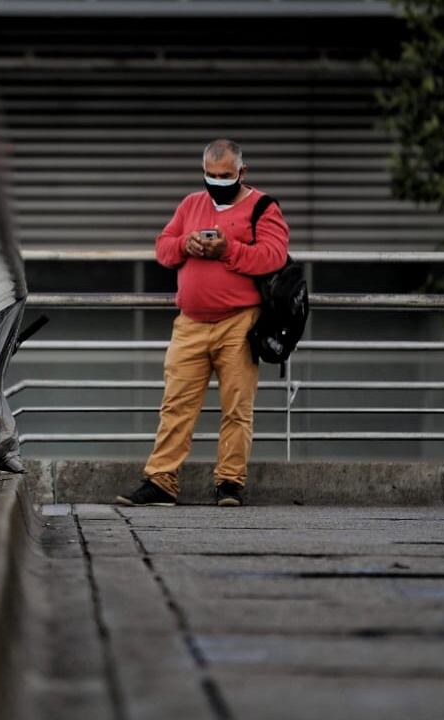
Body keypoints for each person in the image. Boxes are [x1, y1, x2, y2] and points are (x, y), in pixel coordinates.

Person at [115, 139, 289, 507]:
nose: (217, 181)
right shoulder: (191, 203)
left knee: (237, 407)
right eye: (210, 175)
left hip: (240, 322)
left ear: (242, 172)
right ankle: (161, 481)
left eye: (225, 175)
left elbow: (274, 257)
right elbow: (163, 247)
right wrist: (185, 246)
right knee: (175, 404)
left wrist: (228, 250)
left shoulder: (262, 207)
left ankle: (229, 483)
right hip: (190, 323)